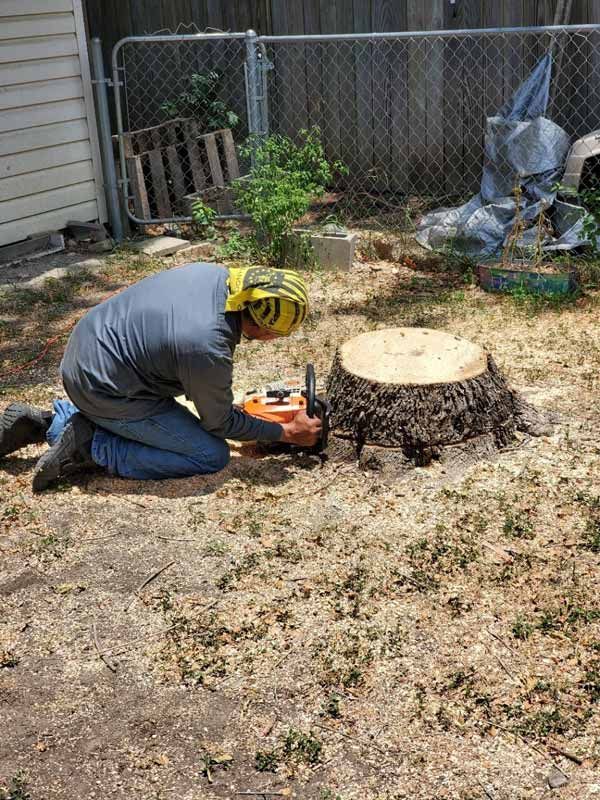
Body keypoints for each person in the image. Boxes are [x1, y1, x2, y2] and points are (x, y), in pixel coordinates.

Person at [0, 262, 321, 491]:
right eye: (277, 334)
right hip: (102, 386)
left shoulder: (216, 275)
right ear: (261, 327)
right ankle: (89, 445)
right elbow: (219, 424)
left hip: (92, 344)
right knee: (210, 454)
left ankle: (47, 422)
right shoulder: (207, 345)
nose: (276, 341)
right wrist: (287, 433)